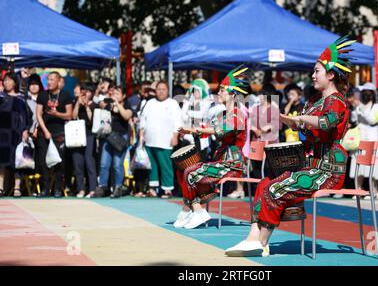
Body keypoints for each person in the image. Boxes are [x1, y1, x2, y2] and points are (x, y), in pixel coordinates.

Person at [224, 36, 354, 257]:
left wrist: (300, 120)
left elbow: (327, 122)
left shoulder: (337, 101)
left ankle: (261, 241)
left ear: (331, 75)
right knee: (264, 184)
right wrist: (290, 120)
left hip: (327, 169)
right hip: (310, 164)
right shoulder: (315, 101)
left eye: (317, 72)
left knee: (276, 188)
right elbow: (307, 127)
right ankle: (253, 238)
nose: (313, 76)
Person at [175, 65, 250, 229]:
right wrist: (193, 130)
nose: (219, 93)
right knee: (186, 170)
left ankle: (196, 210)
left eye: (222, 90)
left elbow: (219, 130)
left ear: (233, 94)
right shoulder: (222, 114)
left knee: (191, 172)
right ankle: (191, 209)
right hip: (221, 161)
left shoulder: (238, 115)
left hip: (232, 164)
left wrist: (195, 129)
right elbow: (208, 129)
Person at [139, 81, 182, 198]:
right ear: (155, 91)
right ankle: (153, 189)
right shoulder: (150, 103)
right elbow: (143, 119)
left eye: (163, 89)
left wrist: (175, 136)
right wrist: (141, 134)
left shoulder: (173, 103)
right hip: (149, 139)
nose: (161, 91)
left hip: (165, 140)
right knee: (152, 166)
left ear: (167, 91)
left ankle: (167, 190)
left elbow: (178, 121)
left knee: (165, 165)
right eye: (159, 89)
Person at [36, 72, 73, 198]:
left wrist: (57, 114)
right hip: (44, 132)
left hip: (60, 133)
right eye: (48, 80)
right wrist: (45, 131)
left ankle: (57, 189)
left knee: (59, 162)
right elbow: (38, 114)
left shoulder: (66, 95)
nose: (49, 82)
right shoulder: (42, 95)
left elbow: (70, 115)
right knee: (43, 162)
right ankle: (45, 189)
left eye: (52, 80)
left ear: (58, 81)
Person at [95, 86, 133, 198]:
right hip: (108, 137)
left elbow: (127, 116)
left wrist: (118, 105)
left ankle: (118, 187)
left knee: (117, 164)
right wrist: (110, 104)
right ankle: (102, 186)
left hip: (121, 137)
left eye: (118, 93)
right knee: (104, 163)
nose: (115, 95)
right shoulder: (108, 106)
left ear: (124, 96)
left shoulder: (127, 105)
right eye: (113, 93)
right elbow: (99, 105)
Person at [349, 82, 378, 199]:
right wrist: (355, 107)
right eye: (364, 93)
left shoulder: (377, 107)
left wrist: (361, 107)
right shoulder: (359, 106)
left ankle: (374, 191)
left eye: (368, 93)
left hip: (372, 140)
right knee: (357, 166)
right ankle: (358, 190)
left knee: (372, 167)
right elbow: (353, 119)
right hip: (359, 139)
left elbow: (372, 120)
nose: (365, 95)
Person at [0, 73, 31, 197]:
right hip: (2, 132)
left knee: (18, 160)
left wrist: (25, 130)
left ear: (15, 83)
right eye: (5, 80)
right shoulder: (1, 97)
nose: (7, 83)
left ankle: (17, 188)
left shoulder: (21, 98)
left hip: (16, 132)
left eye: (9, 80)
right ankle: (0, 187)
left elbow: (25, 117)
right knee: (1, 160)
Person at [72, 83, 97, 198]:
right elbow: (73, 116)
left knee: (89, 161)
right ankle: (80, 189)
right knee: (78, 163)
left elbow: (93, 121)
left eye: (87, 91)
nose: (85, 93)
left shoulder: (95, 105)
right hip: (77, 135)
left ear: (91, 93)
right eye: (83, 91)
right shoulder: (76, 103)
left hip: (89, 135)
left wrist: (87, 107)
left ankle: (92, 189)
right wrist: (78, 103)